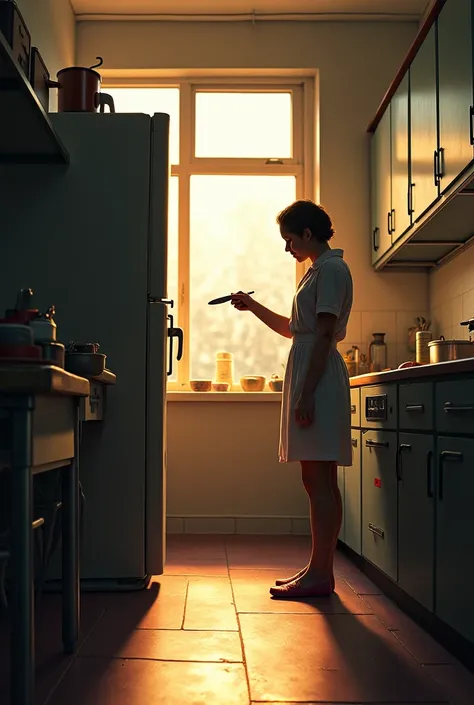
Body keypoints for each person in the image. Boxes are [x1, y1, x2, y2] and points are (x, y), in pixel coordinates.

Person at [231, 199, 353, 599]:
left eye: (289, 240)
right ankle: (318, 568)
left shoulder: (331, 270)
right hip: (309, 373)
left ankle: (321, 573)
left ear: (307, 233)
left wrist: (305, 392)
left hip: (316, 379)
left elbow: (322, 335)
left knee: (319, 478)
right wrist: (251, 306)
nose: (288, 249)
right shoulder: (317, 271)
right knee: (316, 478)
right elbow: (292, 329)